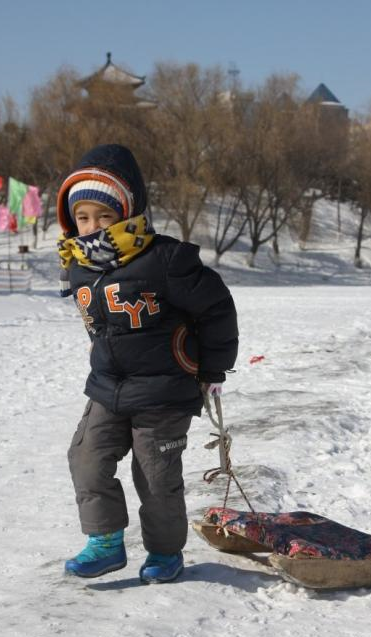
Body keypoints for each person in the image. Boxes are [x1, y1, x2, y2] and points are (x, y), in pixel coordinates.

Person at [57, 144, 238, 583]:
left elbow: (216, 308)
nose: (93, 227)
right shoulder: (79, 265)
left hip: (163, 389)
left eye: (104, 216)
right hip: (107, 386)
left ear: (128, 211)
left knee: (155, 475)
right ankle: (104, 541)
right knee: (86, 457)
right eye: (83, 218)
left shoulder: (164, 259)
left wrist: (212, 369)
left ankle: (164, 551)